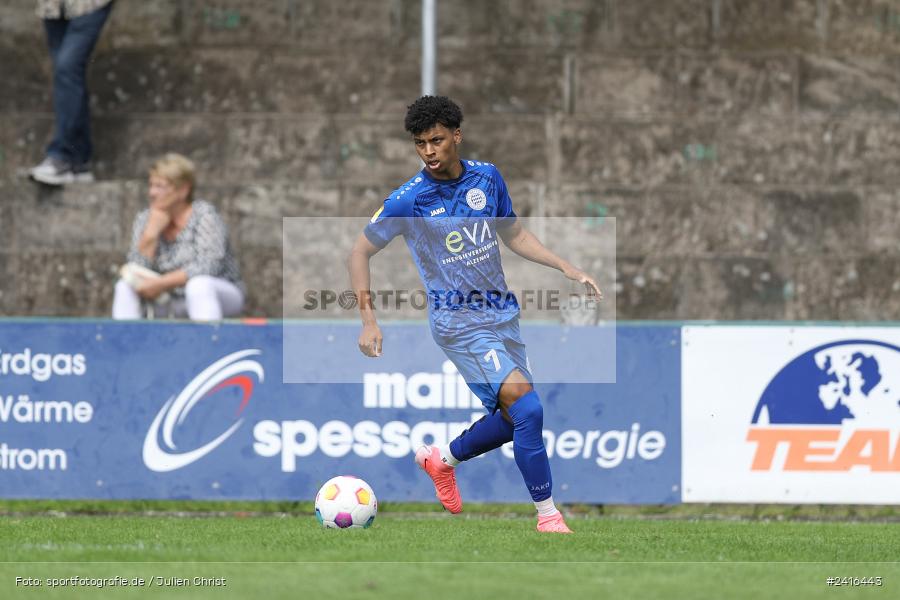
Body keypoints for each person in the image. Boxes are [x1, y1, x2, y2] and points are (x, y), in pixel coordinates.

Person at [348, 96, 602, 533]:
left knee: (513, 418)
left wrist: (565, 266)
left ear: (456, 136)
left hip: (501, 316)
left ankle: (441, 459)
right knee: (529, 407)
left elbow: (514, 233)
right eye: (420, 144)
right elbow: (359, 251)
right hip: (457, 323)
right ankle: (549, 516)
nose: (429, 151)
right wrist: (369, 320)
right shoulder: (409, 200)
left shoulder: (487, 177)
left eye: (437, 140)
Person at [112, 153, 244, 321]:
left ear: (183, 190)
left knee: (198, 286)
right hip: (165, 299)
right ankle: (125, 343)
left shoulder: (204, 215)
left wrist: (161, 284)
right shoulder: (145, 218)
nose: (152, 192)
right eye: (151, 185)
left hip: (216, 292)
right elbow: (136, 269)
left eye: (160, 186)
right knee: (124, 287)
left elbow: (209, 265)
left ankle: (210, 344)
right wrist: (151, 234)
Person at [29, 0, 114, 185]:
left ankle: (62, 156)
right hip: (53, 6)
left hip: (89, 4)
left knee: (67, 68)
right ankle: (79, 161)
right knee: (67, 75)